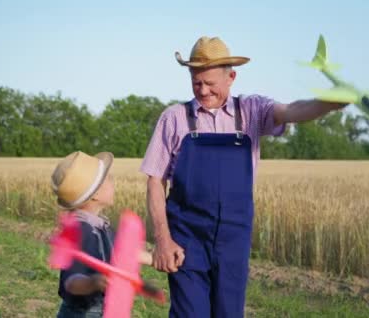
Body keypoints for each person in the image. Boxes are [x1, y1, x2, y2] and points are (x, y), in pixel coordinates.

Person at [141, 36, 347, 317]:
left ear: (231, 77)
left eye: (210, 83)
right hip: (186, 239)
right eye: (196, 82)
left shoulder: (251, 111)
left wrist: (329, 103)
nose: (203, 90)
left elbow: (292, 111)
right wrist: (163, 240)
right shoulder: (174, 118)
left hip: (233, 241)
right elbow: (155, 181)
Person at [51, 151, 153, 317]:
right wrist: (93, 282)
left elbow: (121, 252)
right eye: (108, 179)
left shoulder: (101, 225)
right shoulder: (80, 231)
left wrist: (154, 258)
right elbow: (70, 282)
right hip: (83, 313)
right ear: (96, 195)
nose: (113, 182)